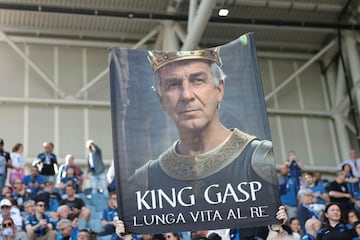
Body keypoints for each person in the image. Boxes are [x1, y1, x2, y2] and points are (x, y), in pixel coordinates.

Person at [126, 48, 281, 233]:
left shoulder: (259, 158)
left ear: (219, 90)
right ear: (161, 99)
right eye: (173, 85)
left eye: (197, 80)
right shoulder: (146, 178)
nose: (187, 95)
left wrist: (278, 226)